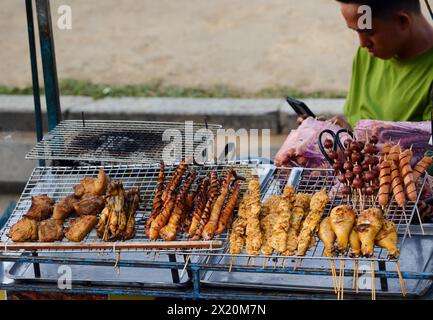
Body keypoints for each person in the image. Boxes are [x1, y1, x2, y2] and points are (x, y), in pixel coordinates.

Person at [298, 0, 433, 129]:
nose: (362, 44)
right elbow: (355, 121)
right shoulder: (368, 54)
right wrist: (335, 132)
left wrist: (355, 142)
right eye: (356, 31)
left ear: (402, 21)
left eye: (369, 32)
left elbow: (426, 150)